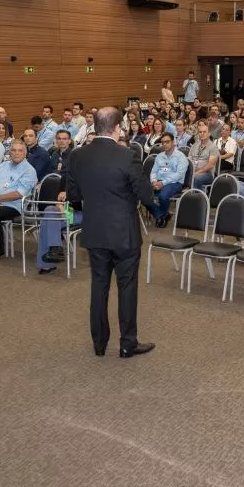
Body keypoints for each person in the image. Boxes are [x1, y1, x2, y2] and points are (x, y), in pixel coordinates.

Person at [63, 107, 156, 357]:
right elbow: (145, 193)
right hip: (123, 233)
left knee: (99, 286)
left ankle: (99, 344)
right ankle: (128, 343)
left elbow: (73, 196)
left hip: (94, 230)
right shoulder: (127, 155)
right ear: (117, 128)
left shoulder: (77, 156)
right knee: (127, 287)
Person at [145, 132, 188, 228]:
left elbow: (178, 175)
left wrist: (162, 183)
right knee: (142, 193)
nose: (164, 144)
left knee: (163, 196)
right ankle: (162, 215)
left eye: (167, 142)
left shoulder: (181, 157)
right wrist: (154, 181)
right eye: (163, 142)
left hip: (174, 183)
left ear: (173, 142)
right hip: (158, 182)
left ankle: (161, 215)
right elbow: (153, 172)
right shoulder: (159, 156)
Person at [189, 121, 220, 190]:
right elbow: (189, 160)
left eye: (204, 132)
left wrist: (197, 172)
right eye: (200, 132)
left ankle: (198, 198)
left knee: (195, 178)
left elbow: (210, 165)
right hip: (194, 171)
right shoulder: (194, 145)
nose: (202, 134)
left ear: (209, 134)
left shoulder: (213, 147)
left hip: (207, 173)